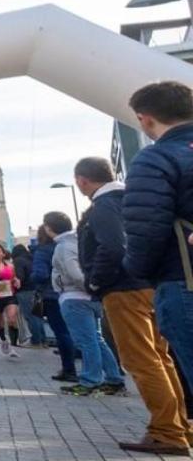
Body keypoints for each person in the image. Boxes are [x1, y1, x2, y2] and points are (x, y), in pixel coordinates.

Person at [76, 156, 191, 455]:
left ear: (82, 180)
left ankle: (166, 431)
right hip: (153, 285)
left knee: (142, 361)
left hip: (123, 290)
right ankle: (179, 426)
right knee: (160, 358)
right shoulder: (134, 198)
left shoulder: (103, 207)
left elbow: (113, 246)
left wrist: (96, 281)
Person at [123, 82, 193, 417]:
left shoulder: (157, 158)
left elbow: (146, 229)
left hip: (183, 278)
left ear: (145, 119)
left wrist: (138, 270)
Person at [45, 211, 125, 397]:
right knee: (97, 339)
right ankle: (114, 378)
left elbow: (73, 271)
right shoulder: (78, 241)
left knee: (86, 341)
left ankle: (91, 380)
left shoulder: (63, 247)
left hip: (75, 297)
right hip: (90, 298)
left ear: (49, 228)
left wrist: (89, 285)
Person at [31, 225, 78, 382]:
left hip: (52, 294)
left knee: (62, 333)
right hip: (78, 292)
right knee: (88, 335)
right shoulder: (75, 244)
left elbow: (40, 274)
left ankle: (69, 369)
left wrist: (32, 278)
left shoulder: (42, 251)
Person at [12, 244, 45, 347]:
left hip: (25, 291)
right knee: (37, 316)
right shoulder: (32, 258)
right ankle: (42, 340)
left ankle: (35, 341)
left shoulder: (18, 261)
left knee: (30, 316)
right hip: (37, 290)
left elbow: (19, 276)